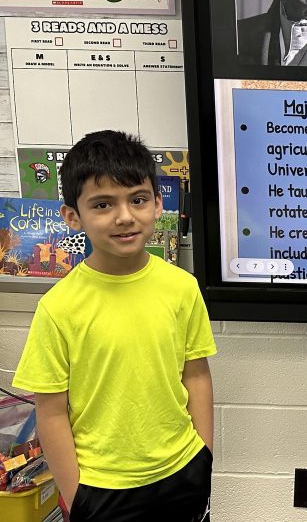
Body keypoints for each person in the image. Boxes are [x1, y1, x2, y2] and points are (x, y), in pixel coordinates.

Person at [13, 130, 216, 522]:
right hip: (101, 488)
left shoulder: (182, 288)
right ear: (73, 216)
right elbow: (51, 411)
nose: (124, 216)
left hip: (182, 472)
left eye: (138, 199)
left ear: (158, 203)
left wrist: (204, 457)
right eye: (103, 204)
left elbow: (197, 376)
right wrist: (76, 497)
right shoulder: (58, 308)